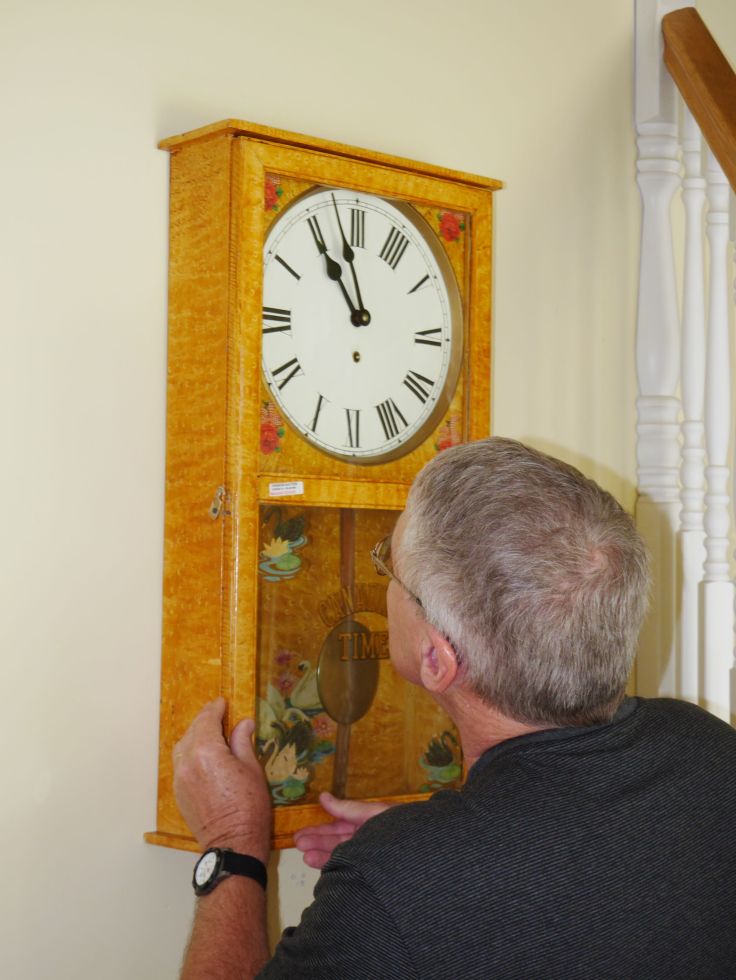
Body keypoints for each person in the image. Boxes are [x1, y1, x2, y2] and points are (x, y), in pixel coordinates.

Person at [173, 437, 736, 979]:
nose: (386, 584)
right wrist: (440, 845)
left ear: (438, 659)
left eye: (388, 568)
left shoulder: (395, 889)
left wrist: (232, 842)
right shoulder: (708, 748)